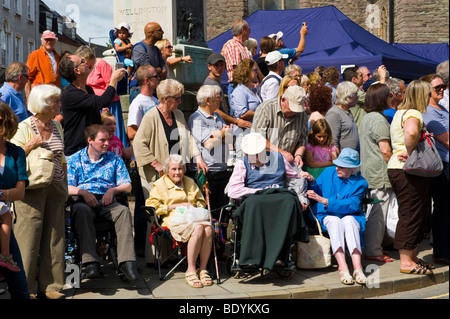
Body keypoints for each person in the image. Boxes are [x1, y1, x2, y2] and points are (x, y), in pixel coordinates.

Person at [133, 79, 208, 264]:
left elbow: (188, 138)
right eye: (177, 98)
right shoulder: (151, 116)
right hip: (154, 175)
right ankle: (156, 258)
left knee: (177, 210)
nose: (180, 101)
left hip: (176, 172)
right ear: (165, 99)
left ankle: (174, 255)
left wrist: (197, 156)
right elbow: (138, 143)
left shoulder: (179, 114)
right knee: (157, 214)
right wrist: (156, 164)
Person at [10, 85, 68, 299]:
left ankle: (52, 286)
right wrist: (31, 144)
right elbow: (13, 157)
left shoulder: (57, 126)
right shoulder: (24, 126)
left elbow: (61, 155)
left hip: (55, 186)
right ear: (44, 103)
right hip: (32, 187)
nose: (59, 105)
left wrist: (64, 183)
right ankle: (25, 288)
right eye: (56, 101)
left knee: (55, 236)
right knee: (28, 238)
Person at [227, 132, 311, 270]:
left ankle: (281, 256)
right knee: (254, 204)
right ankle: (251, 257)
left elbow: (294, 178)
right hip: (256, 198)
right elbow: (233, 190)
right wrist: (260, 191)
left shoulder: (278, 158)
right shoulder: (242, 164)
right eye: (249, 154)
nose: (252, 157)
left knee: (289, 201)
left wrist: (302, 181)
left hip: (278, 197)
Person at [67, 124, 138, 282]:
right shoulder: (74, 160)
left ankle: (126, 263)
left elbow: (128, 185)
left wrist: (112, 190)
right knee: (81, 211)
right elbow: (66, 186)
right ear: (90, 140)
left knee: (123, 211)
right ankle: (90, 263)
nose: (107, 143)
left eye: (108, 140)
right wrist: (83, 192)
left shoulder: (114, 159)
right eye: (102, 140)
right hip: (83, 201)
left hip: (107, 201)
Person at [387, 80, 434, 275]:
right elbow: (412, 132)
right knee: (411, 214)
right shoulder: (413, 113)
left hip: (400, 169)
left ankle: (412, 257)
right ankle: (406, 261)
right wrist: (409, 150)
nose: (430, 97)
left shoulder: (401, 112)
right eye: (428, 94)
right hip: (407, 170)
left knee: (416, 212)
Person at [147, 154, 213, 288]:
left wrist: (193, 206)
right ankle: (191, 270)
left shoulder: (190, 182)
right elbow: (151, 206)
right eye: (174, 169)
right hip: (173, 221)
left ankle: (203, 268)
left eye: (180, 169)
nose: (178, 172)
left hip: (193, 217)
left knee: (208, 228)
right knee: (199, 228)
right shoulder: (160, 184)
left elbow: (201, 202)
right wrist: (174, 206)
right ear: (166, 170)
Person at [307, 148, 369, 285]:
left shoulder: (361, 183)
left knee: (349, 221)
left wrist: (326, 201)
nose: (337, 168)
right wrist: (312, 181)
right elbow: (317, 189)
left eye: (341, 166)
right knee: (335, 222)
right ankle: (343, 267)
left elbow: (352, 205)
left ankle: (358, 268)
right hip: (327, 213)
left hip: (350, 214)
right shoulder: (328, 172)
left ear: (352, 169)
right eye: (337, 164)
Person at [58, 53, 126, 156]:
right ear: (77, 70)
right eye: (82, 62)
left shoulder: (88, 89)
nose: (85, 62)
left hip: (91, 149)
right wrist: (113, 81)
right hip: (77, 151)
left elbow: (96, 107)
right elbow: (104, 101)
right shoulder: (70, 93)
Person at [126, 64, 160, 257]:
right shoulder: (138, 103)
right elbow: (132, 132)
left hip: (158, 156)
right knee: (142, 200)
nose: (159, 77)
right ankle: (139, 245)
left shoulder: (155, 100)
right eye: (155, 75)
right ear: (147, 80)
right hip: (145, 158)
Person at [360, 83, 394, 263]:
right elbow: (385, 150)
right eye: (388, 96)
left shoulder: (367, 117)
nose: (391, 98)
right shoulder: (379, 119)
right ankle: (373, 250)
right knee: (378, 214)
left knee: (375, 212)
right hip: (379, 173)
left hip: (369, 172)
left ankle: (376, 246)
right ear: (381, 98)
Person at [0, 102, 29, 299]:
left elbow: (20, 192)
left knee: (20, 287)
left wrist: (1, 195)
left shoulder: (16, 152)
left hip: (4, 222)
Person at [76, 45, 129, 148]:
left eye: (84, 61)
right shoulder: (87, 69)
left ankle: (120, 152)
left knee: (112, 129)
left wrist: (105, 103)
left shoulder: (101, 64)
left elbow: (110, 83)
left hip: (109, 103)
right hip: (96, 103)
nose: (83, 64)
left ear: (89, 57)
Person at [421, 74, 449, 265]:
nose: (442, 89)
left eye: (443, 86)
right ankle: (442, 252)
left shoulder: (442, 108)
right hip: (442, 166)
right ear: (427, 90)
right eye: (437, 86)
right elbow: (447, 140)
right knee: (444, 209)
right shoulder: (429, 112)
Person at [251, 85, 308, 168]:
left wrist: (298, 155)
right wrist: (281, 152)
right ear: (283, 100)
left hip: (289, 164)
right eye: (292, 107)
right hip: (264, 163)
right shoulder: (265, 109)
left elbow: (302, 140)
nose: (295, 111)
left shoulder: (302, 115)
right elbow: (258, 138)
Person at [203, 52, 250, 129]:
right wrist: (235, 121)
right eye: (216, 65)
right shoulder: (210, 84)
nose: (219, 68)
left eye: (221, 65)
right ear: (209, 67)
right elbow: (215, 110)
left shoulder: (216, 81)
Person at [130, 22, 166, 102]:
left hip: (154, 91)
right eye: (159, 30)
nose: (162, 32)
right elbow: (148, 71)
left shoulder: (157, 50)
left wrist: (157, 71)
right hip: (140, 90)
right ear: (151, 33)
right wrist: (158, 70)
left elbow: (164, 71)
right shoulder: (139, 48)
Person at [325, 81, 360, 152]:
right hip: (342, 161)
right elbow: (333, 142)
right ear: (348, 97)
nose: (358, 97)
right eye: (355, 95)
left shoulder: (347, 111)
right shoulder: (334, 114)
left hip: (352, 159)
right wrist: (338, 161)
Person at [25, 30, 61, 101]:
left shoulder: (57, 56)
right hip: (40, 96)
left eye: (51, 39)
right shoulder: (34, 55)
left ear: (55, 41)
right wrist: (28, 98)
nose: (49, 42)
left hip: (54, 96)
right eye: (46, 39)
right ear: (42, 41)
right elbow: (27, 78)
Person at [221, 19, 254, 95]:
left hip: (244, 85)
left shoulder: (242, 47)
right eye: (249, 29)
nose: (250, 32)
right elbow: (237, 71)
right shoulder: (233, 45)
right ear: (243, 30)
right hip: (238, 86)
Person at [343, 66, 365, 133]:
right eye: (361, 75)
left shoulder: (344, 91)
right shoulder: (353, 93)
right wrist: (382, 79)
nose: (363, 77)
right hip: (356, 134)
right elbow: (376, 97)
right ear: (354, 80)